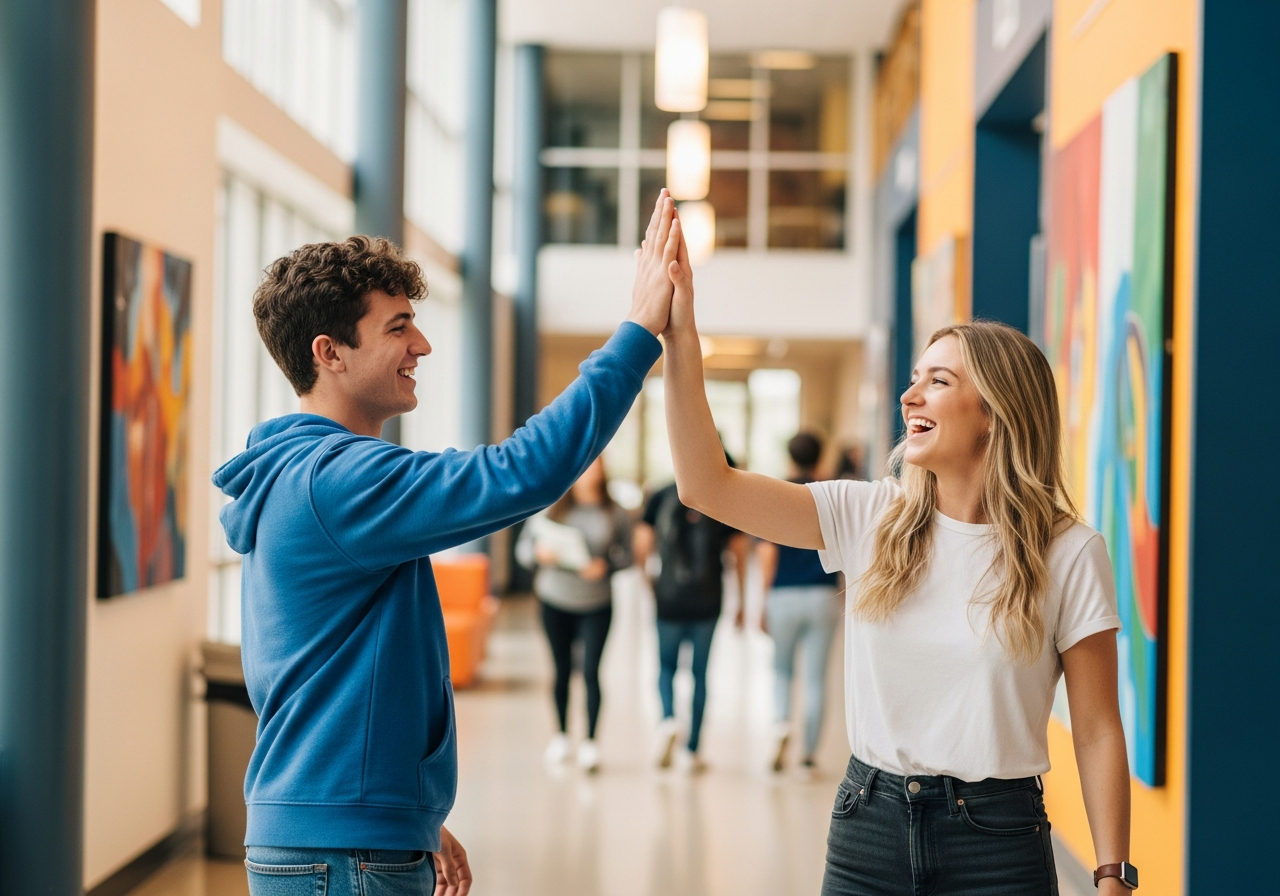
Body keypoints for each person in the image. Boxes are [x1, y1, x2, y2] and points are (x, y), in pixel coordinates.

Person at [212, 192, 684, 896]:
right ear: (329, 353)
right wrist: (640, 331)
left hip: (343, 833)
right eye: (398, 327)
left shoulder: (302, 474)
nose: (423, 345)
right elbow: (521, 472)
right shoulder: (336, 480)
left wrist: (407, 815)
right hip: (341, 851)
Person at [659, 221, 1135, 894]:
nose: (909, 397)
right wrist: (680, 336)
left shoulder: (1070, 552)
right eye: (915, 379)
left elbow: (1096, 727)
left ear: (994, 412)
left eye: (937, 381)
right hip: (868, 827)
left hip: (999, 846)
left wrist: (1113, 875)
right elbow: (706, 485)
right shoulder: (867, 515)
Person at [515, 457, 632, 773]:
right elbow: (523, 551)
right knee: (561, 669)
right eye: (586, 463)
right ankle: (562, 736)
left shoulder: (616, 512)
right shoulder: (551, 504)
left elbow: (628, 556)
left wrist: (607, 566)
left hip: (597, 602)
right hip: (555, 599)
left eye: (597, 464)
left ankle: (591, 742)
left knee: (591, 671)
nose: (591, 470)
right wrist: (539, 554)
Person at [634, 470, 749, 773]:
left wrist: (649, 583)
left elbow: (642, 544)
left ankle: (668, 720)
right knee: (700, 674)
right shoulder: (719, 499)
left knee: (666, 668)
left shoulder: (660, 495)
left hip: (669, 599)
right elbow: (738, 551)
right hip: (707, 600)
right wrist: (741, 598)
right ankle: (693, 749)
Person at [757, 431, 841, 778]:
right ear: (820, 457)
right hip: (823, 595)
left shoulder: (777, 495)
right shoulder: (831, 495)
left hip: (784, 594)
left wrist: (763, 600)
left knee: (782, 669)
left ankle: (781, 723)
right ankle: (808, 758)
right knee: (816, 678)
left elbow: (767, 553)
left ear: (789, 457)